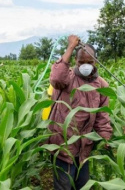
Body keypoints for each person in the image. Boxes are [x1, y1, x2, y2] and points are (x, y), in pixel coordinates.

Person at [48, 35, 113, 190]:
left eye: (89, 62)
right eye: (81, 62)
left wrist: (105, 137)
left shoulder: (101, 85)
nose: (85, 66)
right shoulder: (67, 78)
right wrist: (70, 47)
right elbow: (56, 78)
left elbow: (102, 117)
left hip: (84, 148)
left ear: (95, 61)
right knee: (64, 186)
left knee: (82, 186)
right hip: (62, 146)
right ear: (75, 62)